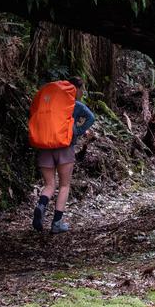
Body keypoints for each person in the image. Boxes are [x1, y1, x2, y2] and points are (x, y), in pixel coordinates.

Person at [32, 76, 95, 234]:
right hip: (65, 148)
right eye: (82, 89)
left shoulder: (47, 103)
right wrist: (77, 132)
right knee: (64, 185)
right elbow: (91, 117)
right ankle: (57, 223)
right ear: (76, 89)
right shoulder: (75, 104)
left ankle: (41, 206)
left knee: (49, 185)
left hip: (45, 146)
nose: (82, 92)